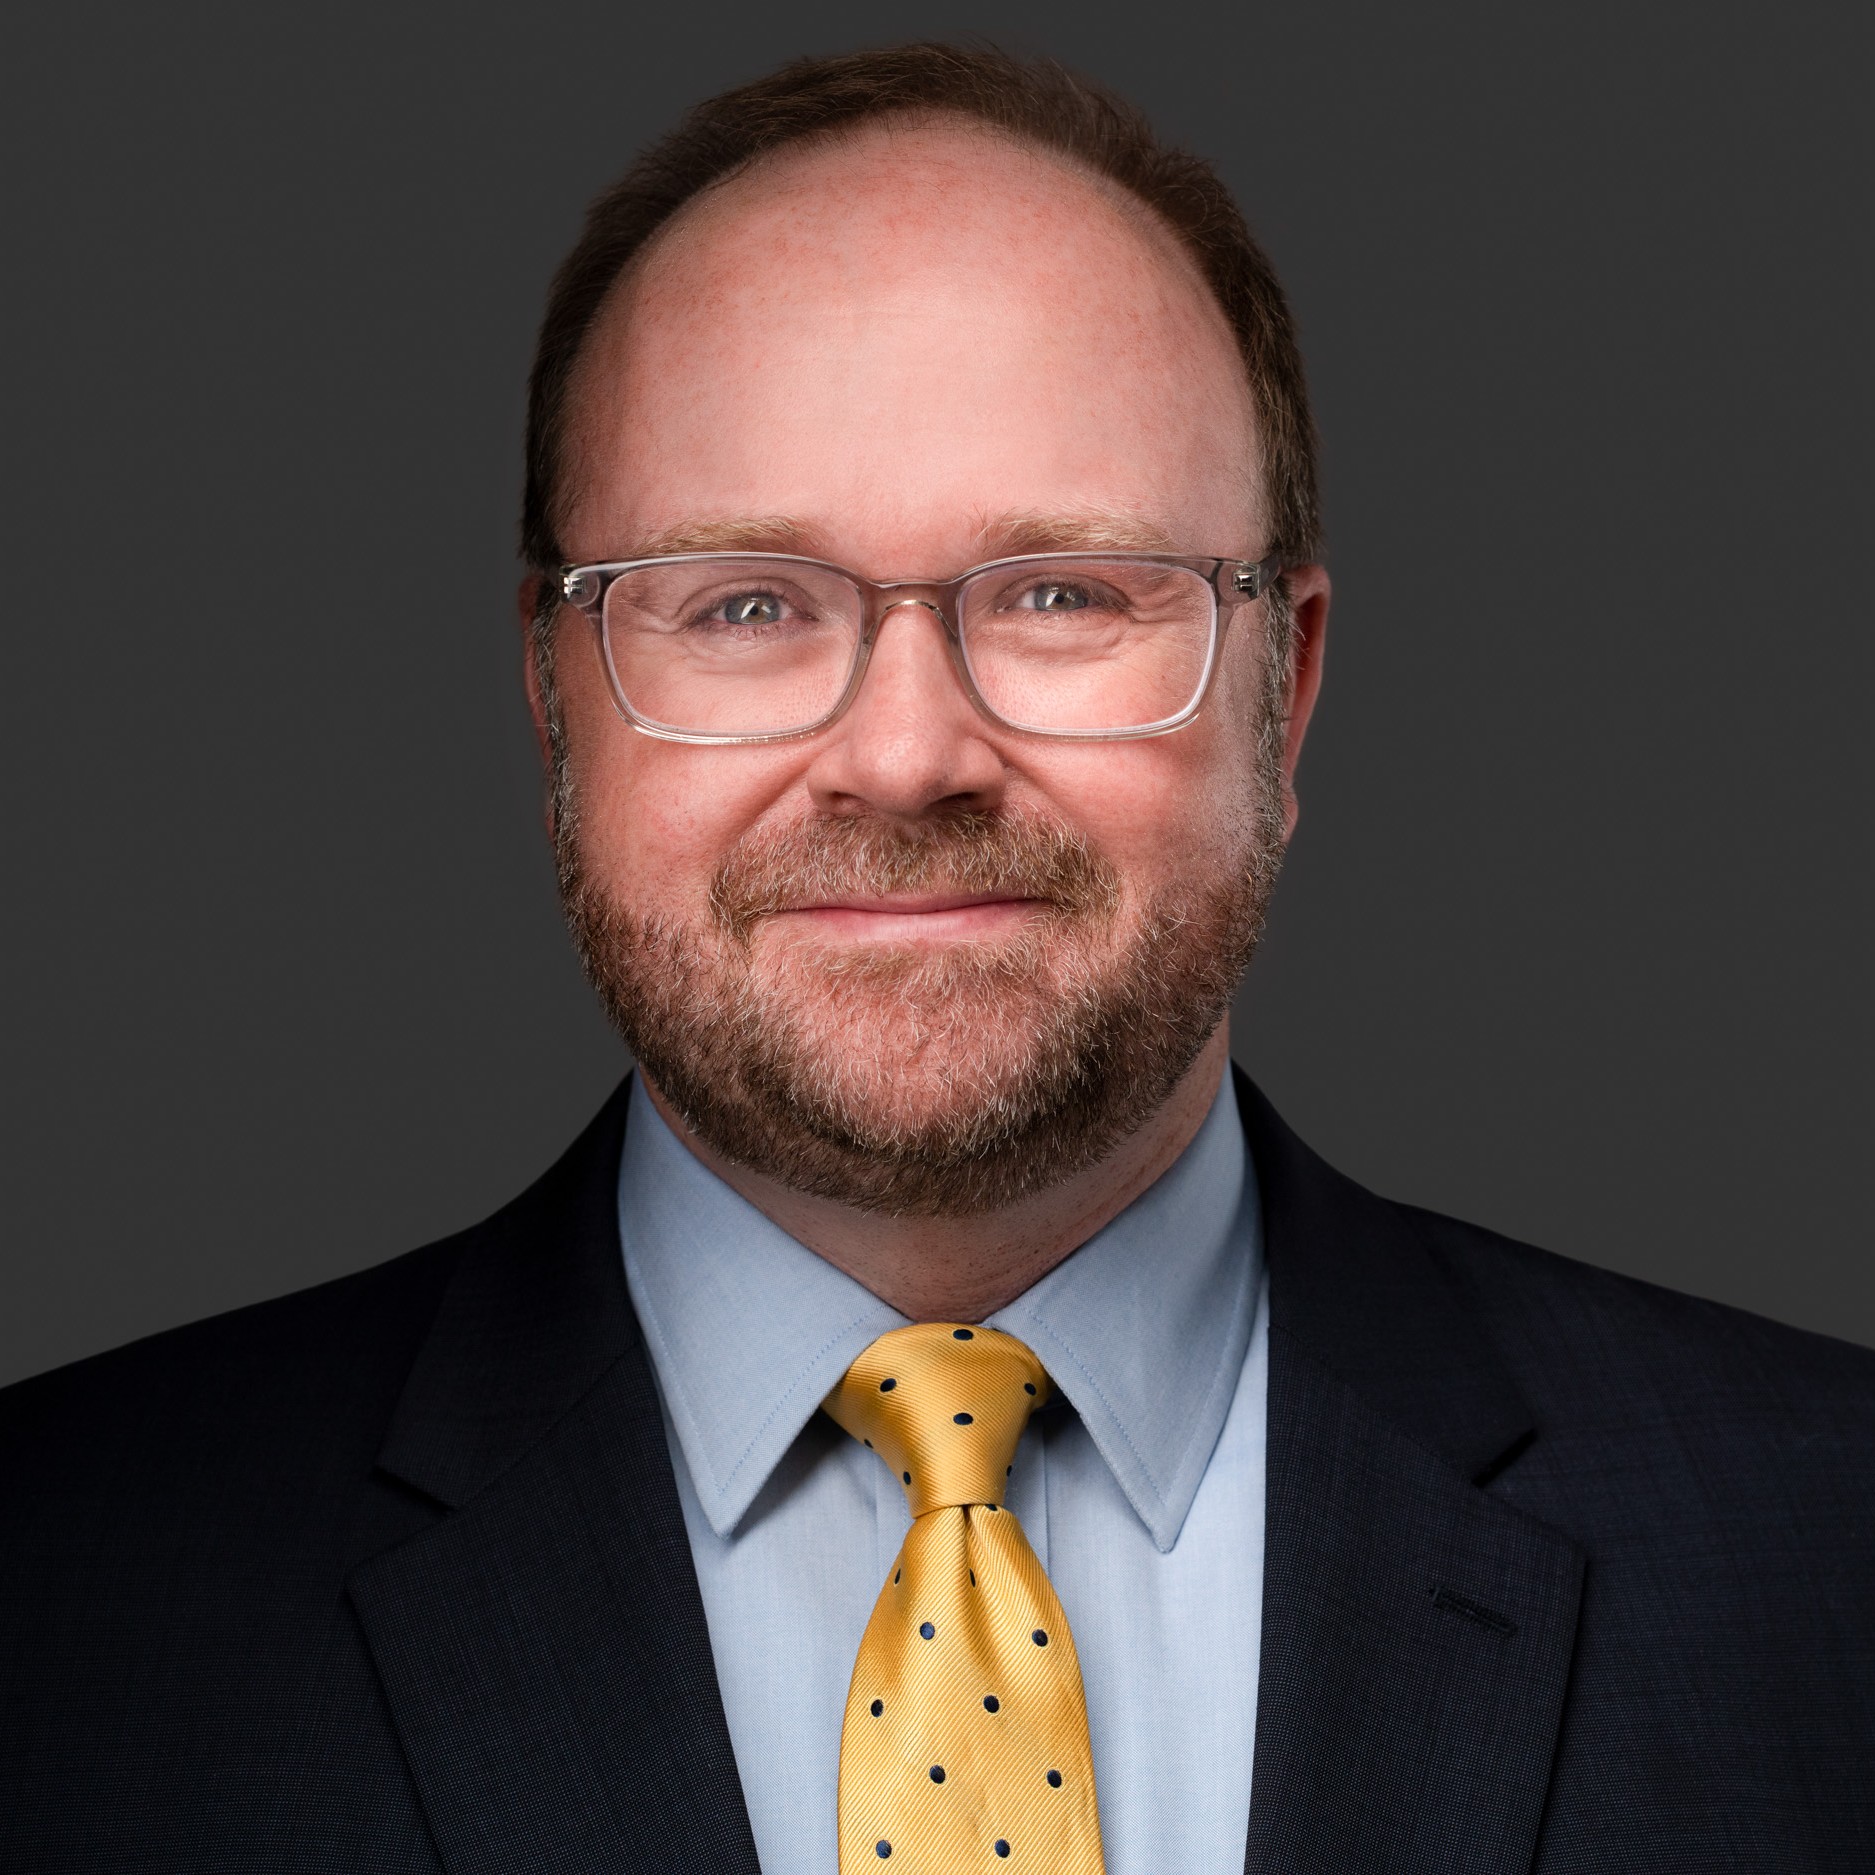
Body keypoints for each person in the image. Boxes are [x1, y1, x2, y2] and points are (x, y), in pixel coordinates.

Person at [3, 40, 1870, 1873]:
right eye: (743, 605)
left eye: (1064, 594)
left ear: (1283, 695)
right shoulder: (69, 1592)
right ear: (554, 695)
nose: (906, 757)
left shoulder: (1824, 1550)